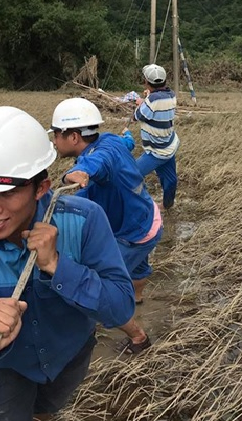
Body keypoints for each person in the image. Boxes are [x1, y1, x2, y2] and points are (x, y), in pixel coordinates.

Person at [0, 106, 134, 421]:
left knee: (46, 411)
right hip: (3, 365)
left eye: (7, 193)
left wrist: (56, 265)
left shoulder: (85, 221)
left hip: (69, 355)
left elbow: (120, 307)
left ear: (41, 187)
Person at [50, 98, 163, 355]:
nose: (54, 141)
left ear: (74, 136)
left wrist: (73, 175)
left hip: (133, 234)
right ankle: (136, 299)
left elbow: (94, 165)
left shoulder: (95, 159)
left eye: (56, 135)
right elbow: (124, 145)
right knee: (138, 266)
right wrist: (128, 140)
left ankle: (139, 337)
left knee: (99, 290)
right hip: (147, 219)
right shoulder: (111, 140)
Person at [133, 64, 179, 210]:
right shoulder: (171, 95)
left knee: (132, 176)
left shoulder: (151, 101)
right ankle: (167, 205)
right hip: (169, 146)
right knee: (170, 180)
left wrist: (141, 103)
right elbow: (157, 103)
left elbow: (138, 115)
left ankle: (140, 205)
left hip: (155, 151)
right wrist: (147, 98)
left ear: (146, 82)